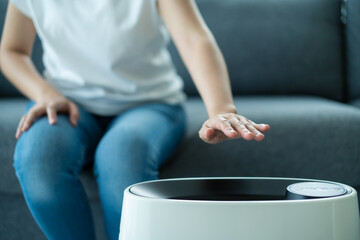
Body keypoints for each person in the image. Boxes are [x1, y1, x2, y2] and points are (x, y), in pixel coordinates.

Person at [0, 0, 270, 239]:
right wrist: (43, 93)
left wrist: (221, 109)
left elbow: (194, 38)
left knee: (121, 155)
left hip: (150, 105)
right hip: (68, 104)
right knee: (38, 161)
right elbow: (11, 50)